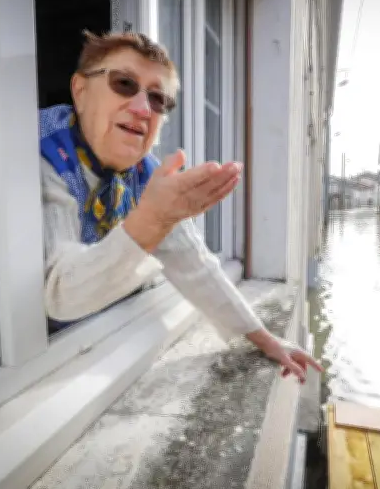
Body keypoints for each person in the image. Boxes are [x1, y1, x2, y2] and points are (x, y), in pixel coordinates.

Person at [39, 30, 322, 383]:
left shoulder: (145, 173)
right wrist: (152, 221)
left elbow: (196, 266)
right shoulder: (39, 153)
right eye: (124, 83)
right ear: (80, 92)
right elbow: (59, 295)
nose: (142, 109)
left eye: (157, 99)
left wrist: (264, 339)